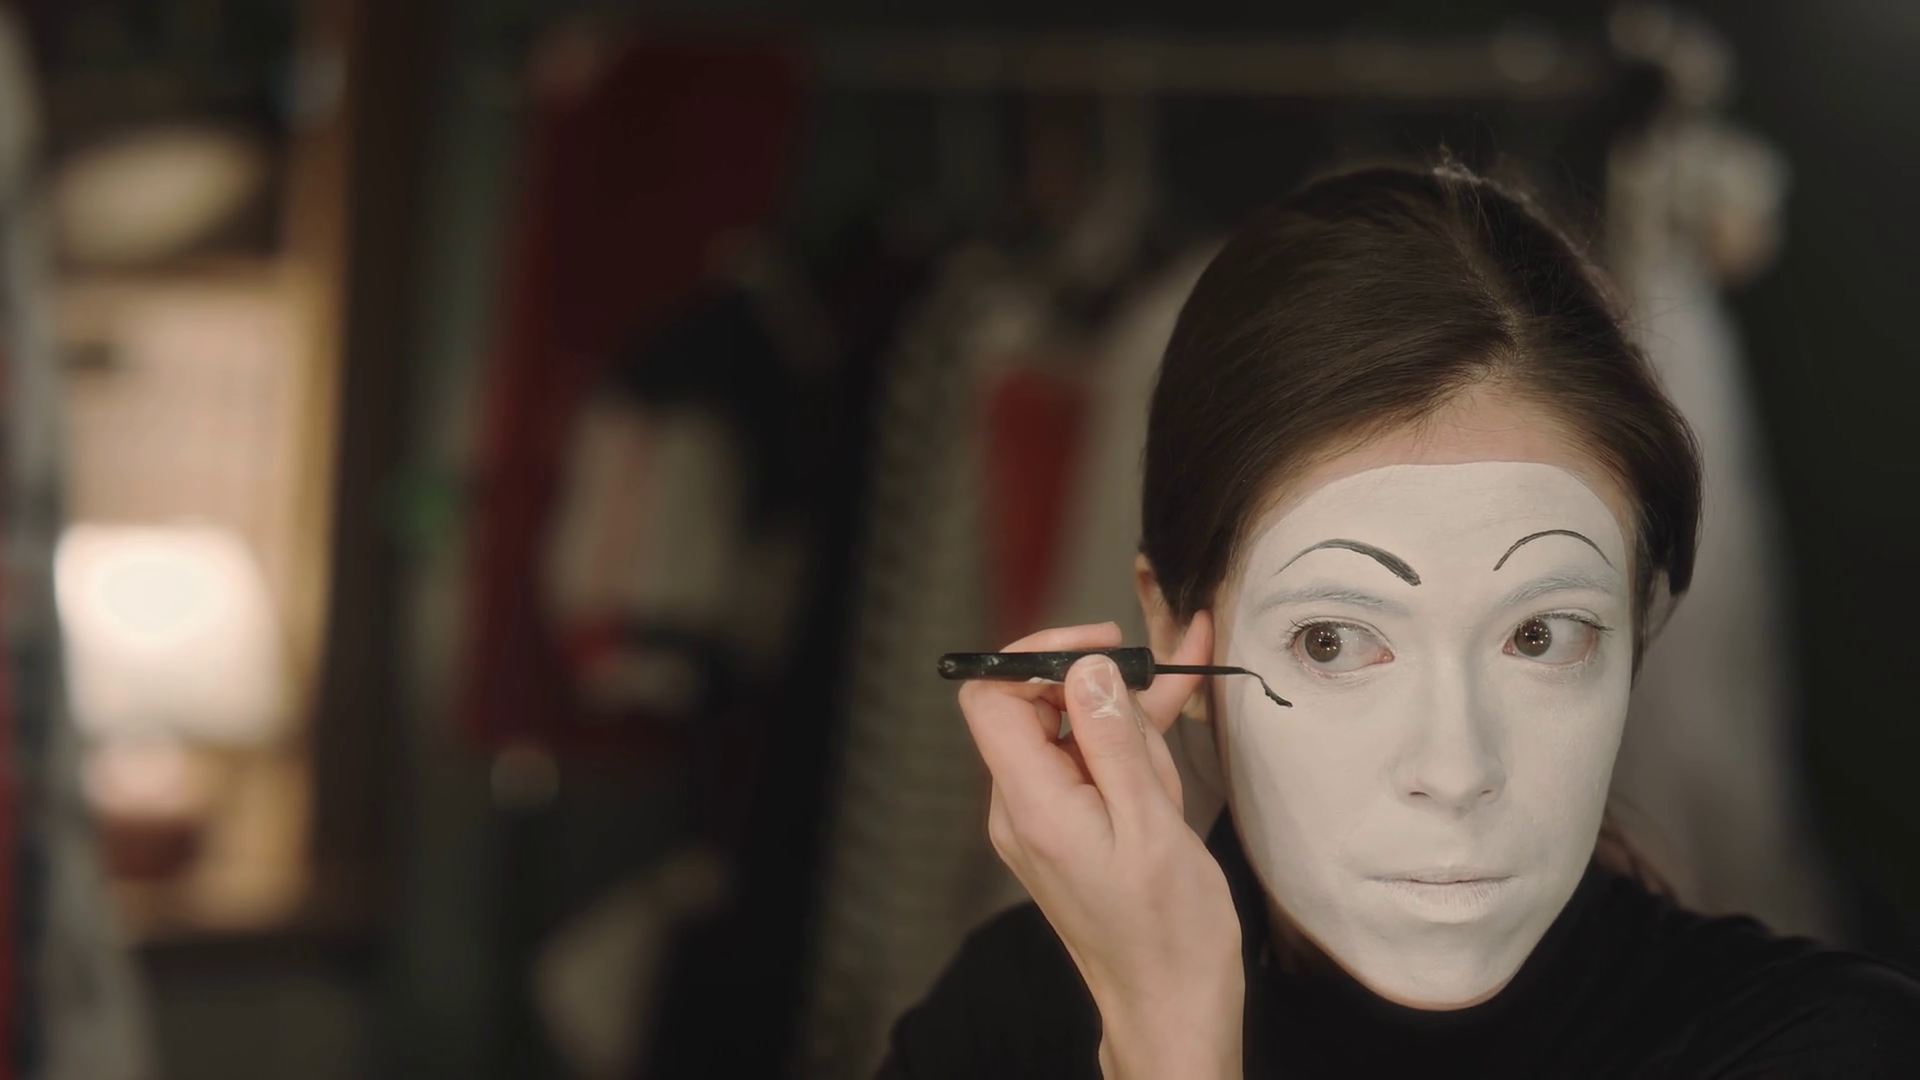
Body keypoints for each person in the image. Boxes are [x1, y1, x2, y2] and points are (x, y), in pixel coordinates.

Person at [876, 162, 1920, 1078]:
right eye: (1332, 641)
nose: (1456, 771)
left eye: (1542, 636)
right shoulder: (1005, 1028)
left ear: (1634, 639)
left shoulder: (1833, 1051)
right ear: (1174, 634)